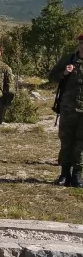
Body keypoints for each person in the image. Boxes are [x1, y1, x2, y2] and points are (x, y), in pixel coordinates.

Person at [49, 34, 83, 187]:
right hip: (68, 109)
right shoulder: (68, 60)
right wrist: (64, 73)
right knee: (66, 141)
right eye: (81, 43)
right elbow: (52, 76)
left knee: (81, 144)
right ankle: (64, 174)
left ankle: (77, 175)